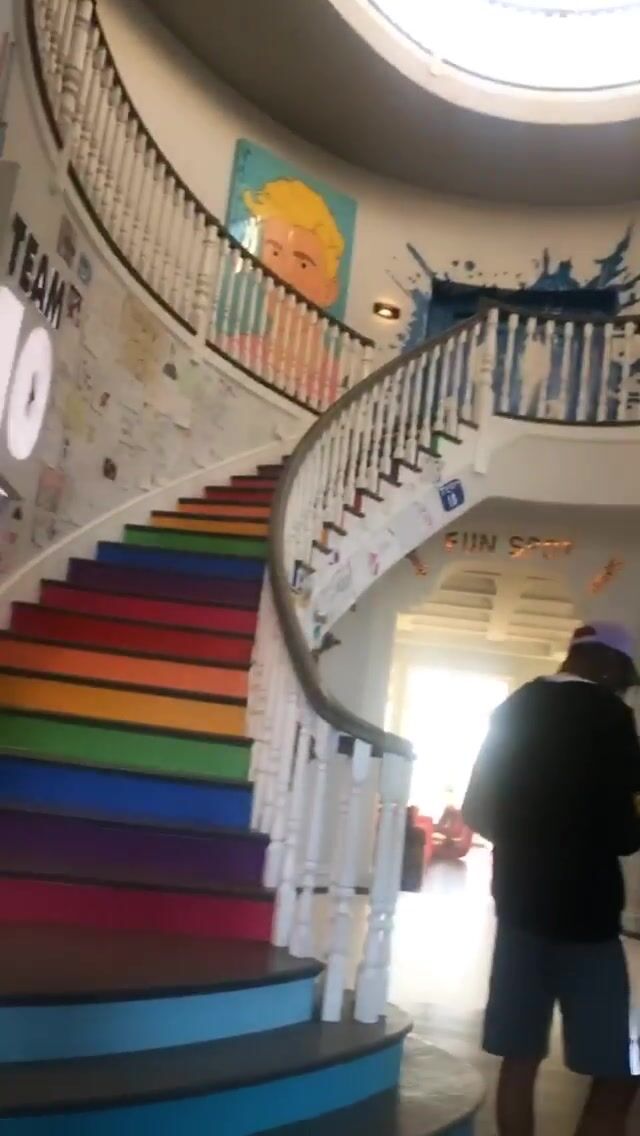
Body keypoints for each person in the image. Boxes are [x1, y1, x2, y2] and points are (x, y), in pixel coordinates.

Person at [463, 622, 640, 1136]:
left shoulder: (514, 708)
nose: (623, 689)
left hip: (518, 906)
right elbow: (623, 833)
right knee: (617, 1069)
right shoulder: (610, 716)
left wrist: (526, 845)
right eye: (623, 678)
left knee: (519, 1058)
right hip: (587, 917)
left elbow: (477, 808)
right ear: (608, 665)